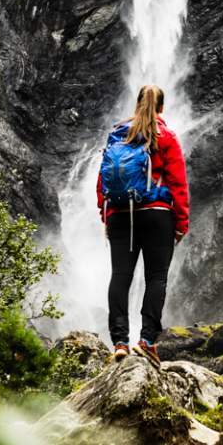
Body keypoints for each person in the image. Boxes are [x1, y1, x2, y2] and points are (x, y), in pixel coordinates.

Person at [97, 84, 189, 362]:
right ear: (162, 107)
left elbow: (102, 180)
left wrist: (106, 214)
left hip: (120, 214)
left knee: (120, 277)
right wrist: (181, 222)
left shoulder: (118, 134)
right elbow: (178, 183)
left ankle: (120, 343)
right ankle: (147, 340)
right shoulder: (167, 137)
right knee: (156, 277)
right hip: (157, 214)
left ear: (137, 104)